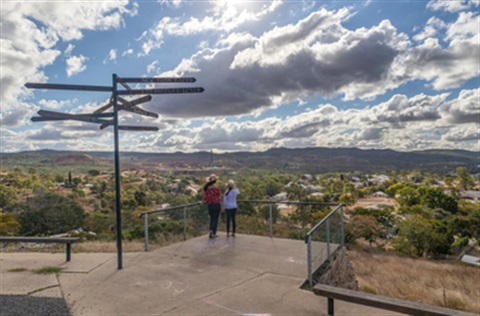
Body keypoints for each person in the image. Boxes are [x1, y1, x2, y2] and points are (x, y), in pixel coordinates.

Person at [202, 174, 222, 238]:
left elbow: (205, 197)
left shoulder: (207, 189)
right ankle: (214, 232)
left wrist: (202, 201)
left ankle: (211, 230)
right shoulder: (217, 189)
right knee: (215, 219)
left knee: (212, 218)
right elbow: (219, 197)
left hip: (210, 205)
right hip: (216, 204)